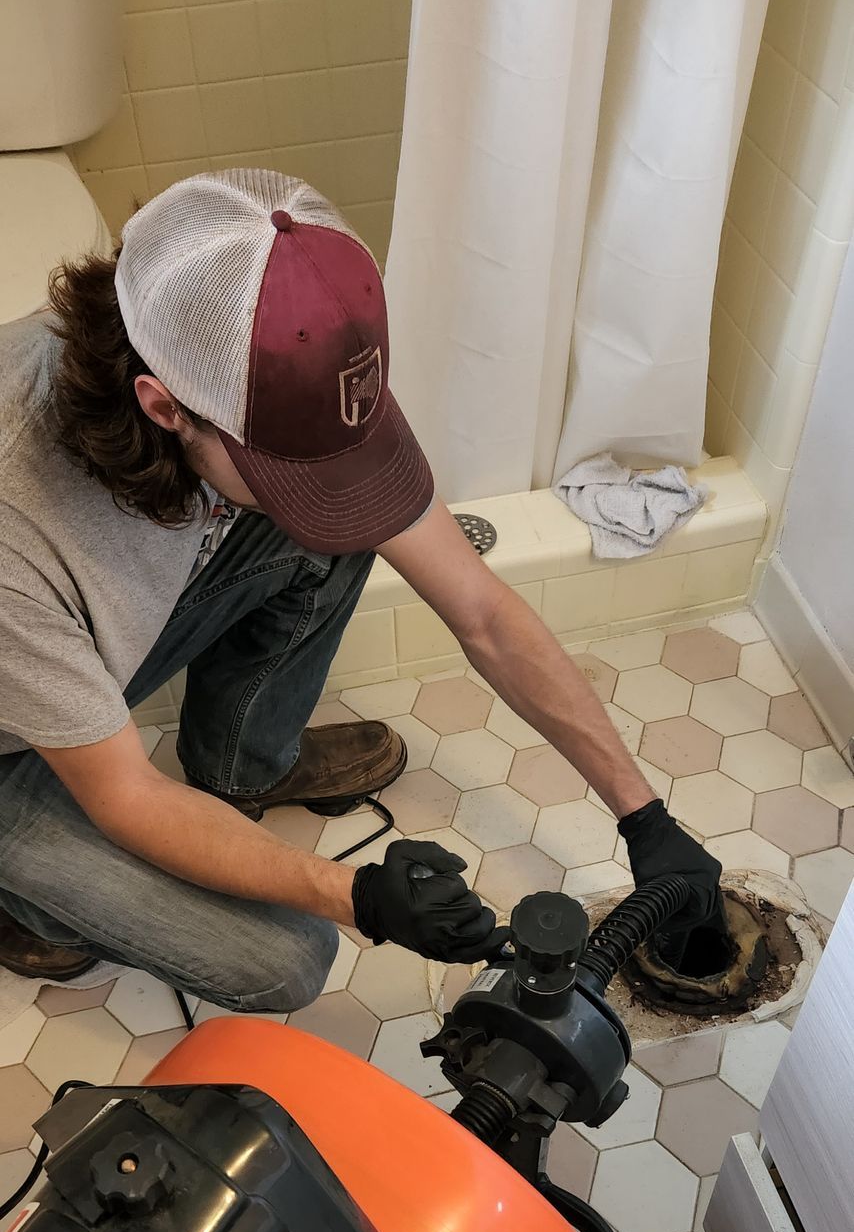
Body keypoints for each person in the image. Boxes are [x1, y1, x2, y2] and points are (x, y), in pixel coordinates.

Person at [0, 168, 721, 1015]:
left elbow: (481, 611)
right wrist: (354, 895)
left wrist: (647, 819)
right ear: (164, 408)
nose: (326, 482)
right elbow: (126, 794)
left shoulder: (269, 352)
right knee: (279, 958)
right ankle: (23, 893)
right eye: (288, 468)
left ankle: (240, 766)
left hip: (67, 647)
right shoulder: (20, 514)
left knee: (331, 523)